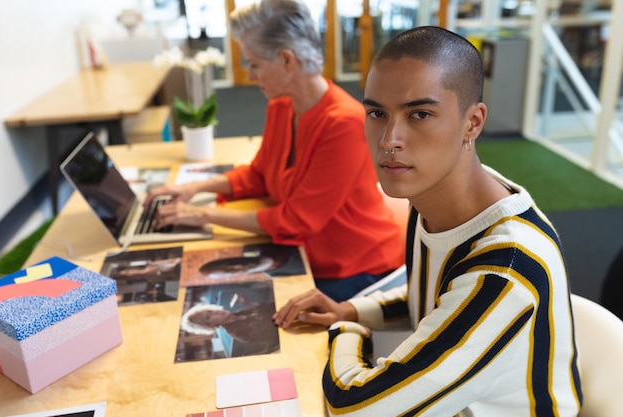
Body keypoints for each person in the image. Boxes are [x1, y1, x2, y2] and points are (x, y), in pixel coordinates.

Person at [273, 26, 582, 416]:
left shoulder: (505, 268)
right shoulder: (430, 199)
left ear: (473, 123)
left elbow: (357, 410)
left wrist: (347, 331)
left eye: (420, 113)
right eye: (376, 113)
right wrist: (349, 310)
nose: (389, 139)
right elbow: (435, 297)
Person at [143, 0, 403, 301]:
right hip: (304, 253)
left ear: (287, 61)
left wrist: (201, 215)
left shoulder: (344, 123)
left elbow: (297, 220)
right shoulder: (282, 105)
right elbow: (259, 175)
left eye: (254, 64)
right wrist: (191, 189)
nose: (250, 76)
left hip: (354, 270)